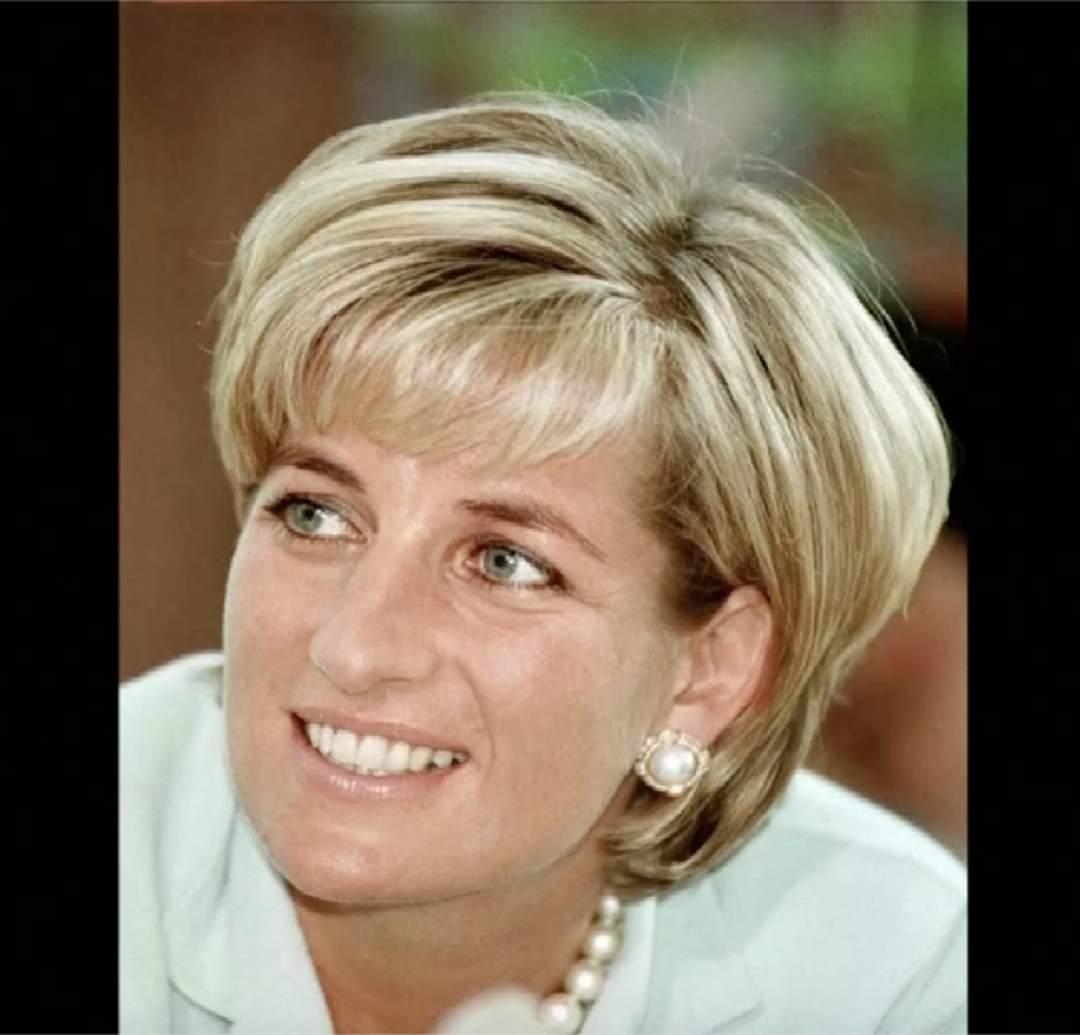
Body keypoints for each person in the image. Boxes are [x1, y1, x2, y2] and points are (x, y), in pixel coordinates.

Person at [120, 92, 966, 1034]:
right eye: (317, 514)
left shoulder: (894, 970)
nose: (353, 647)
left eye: (504, 563)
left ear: (708, 668)